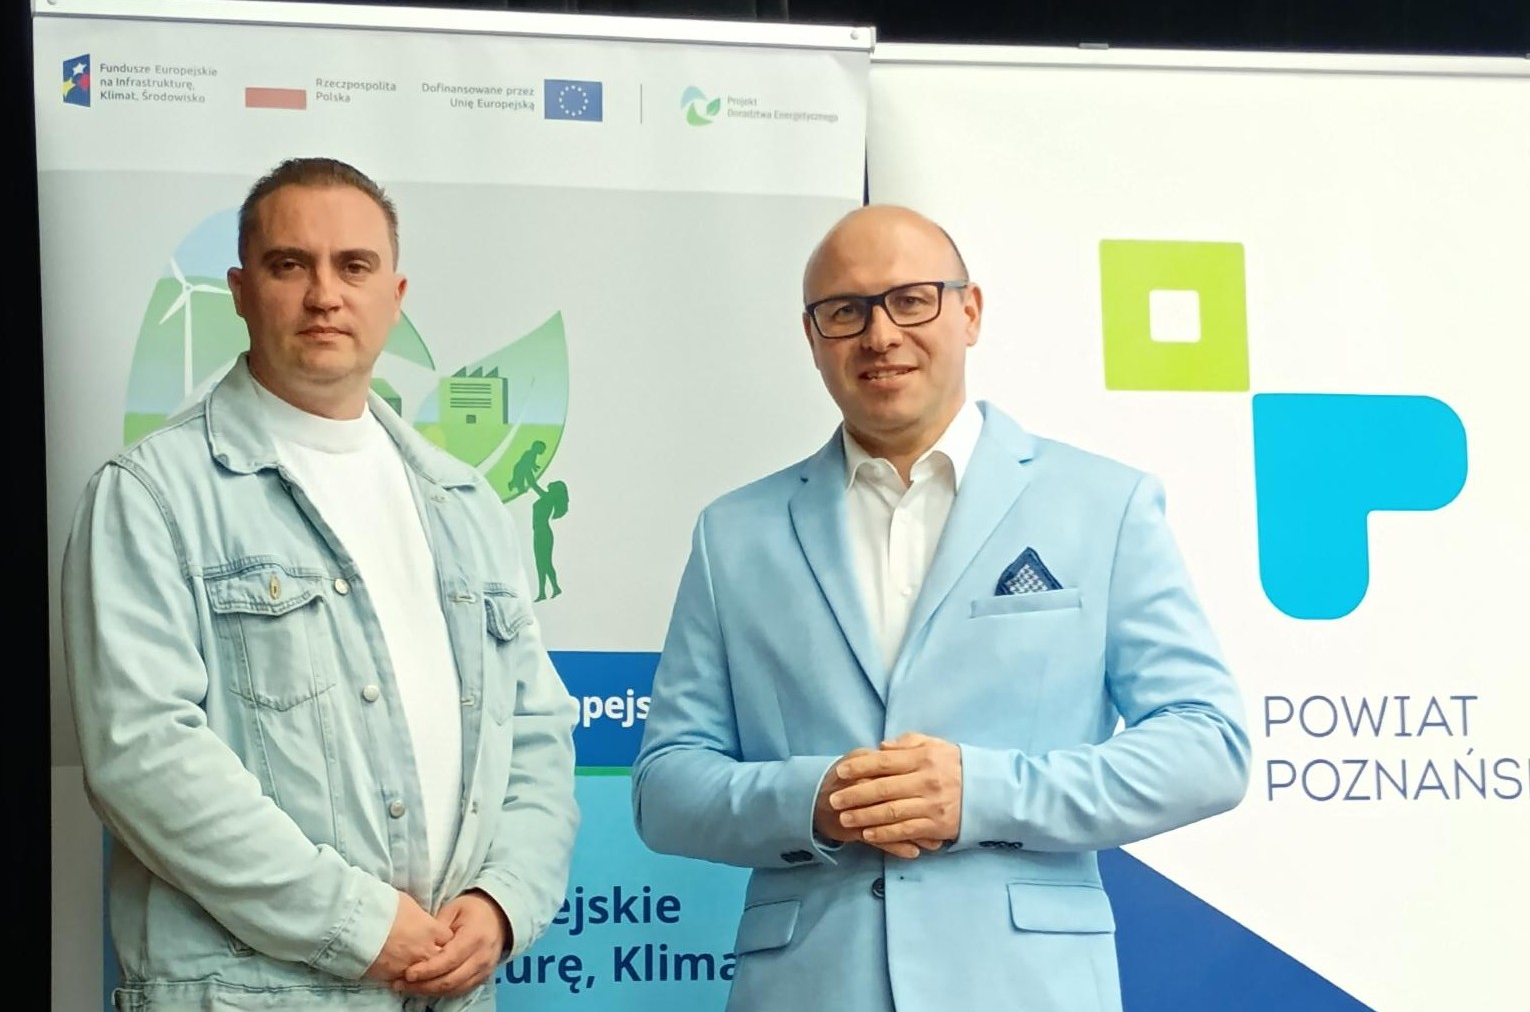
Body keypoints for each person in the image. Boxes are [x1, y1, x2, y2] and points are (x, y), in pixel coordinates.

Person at [631, 204, 1250, 1012]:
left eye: (911, 299)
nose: (880, 333)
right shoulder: (734, 534)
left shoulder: (1104, 504)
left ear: (970, 311)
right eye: (845, 311)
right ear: (813, 337)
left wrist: (981, 792)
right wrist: (820, 798)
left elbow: (1208, 744)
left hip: (1026, 989)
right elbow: (666, 786)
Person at [62, 157, 579, 1012]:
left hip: (447, 993)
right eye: (289, 264)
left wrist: (501, 901)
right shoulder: (150, 495)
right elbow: (143, 756)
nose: (325, 294)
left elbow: (535, 731)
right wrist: (360, 924)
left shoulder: (465, 503)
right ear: (240, 290)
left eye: (354, 266)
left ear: (395, 295)